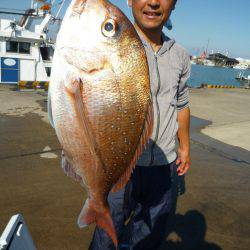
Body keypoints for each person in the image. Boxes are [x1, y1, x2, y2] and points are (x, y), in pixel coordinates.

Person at [90, 0, 191, 249]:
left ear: (175, 4)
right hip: (123, 164)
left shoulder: (180, 54)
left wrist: (185, 147)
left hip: (165, 163)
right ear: (130, 1)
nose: (154, 2)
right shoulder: (113, 46)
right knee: (107, 231)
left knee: (150, 233)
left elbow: (182, 104)